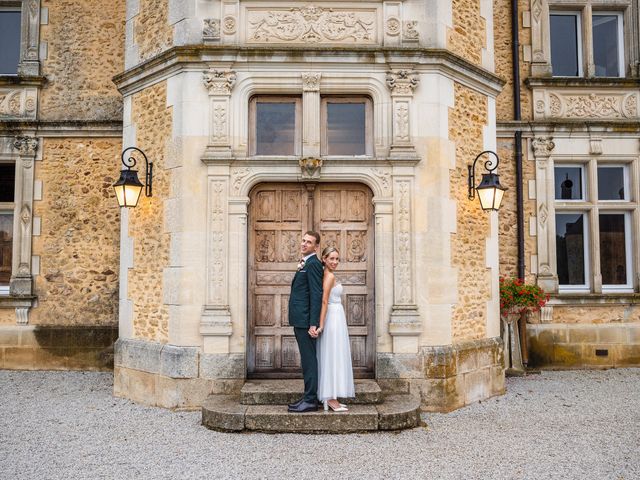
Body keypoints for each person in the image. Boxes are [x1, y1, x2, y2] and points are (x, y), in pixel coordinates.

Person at [287, 231, 323, 413]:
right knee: (307, 360)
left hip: (306, 321)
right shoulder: (305, 262)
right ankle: (308, 396)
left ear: (316, 247)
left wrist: (313, 324)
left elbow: (316, 295)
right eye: (303, 240)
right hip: (299, 319)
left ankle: (310, 400)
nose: (304, 244)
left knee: (309, 361)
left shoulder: (314, 264)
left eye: (308, 242)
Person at [315, 246, 355, 412]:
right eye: (331, 258)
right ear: (324, 259)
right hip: (332, 317)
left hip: (337, 316)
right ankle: (330, 398)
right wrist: (322, 324)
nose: (335, 262)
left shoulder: (326, 275)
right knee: (332, 355)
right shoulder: (329, 276)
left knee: (332, 354)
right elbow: (324, 300)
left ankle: (331, 396)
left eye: (337, 259)